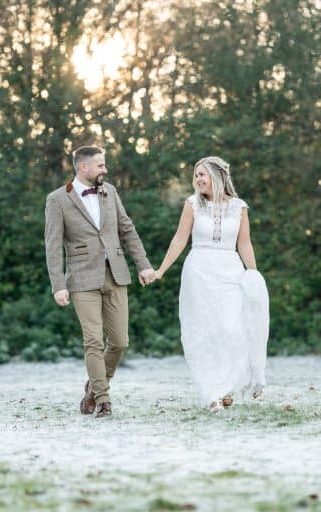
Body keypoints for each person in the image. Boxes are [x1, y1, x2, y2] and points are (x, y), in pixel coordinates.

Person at [45, 145, 156, 418]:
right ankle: (104, 401)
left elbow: (127, 229)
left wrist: (143, 265)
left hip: (115, 274)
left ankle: (93, 388)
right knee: (93, 341)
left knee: (120, 342)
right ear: (83, 167)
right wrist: (58, 285)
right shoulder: (57, 199)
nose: (105, 169)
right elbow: (53, 245)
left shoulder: (110, 192)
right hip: (82, 278)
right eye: (101, 165)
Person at [153, 156, 269, 412]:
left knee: (232, 329)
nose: (197, 180)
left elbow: (244, 243)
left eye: (202, 174)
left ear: (217, 176)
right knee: (204, 333)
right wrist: (161, 270)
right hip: (199, 272)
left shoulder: (239, 207)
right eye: (196, 175)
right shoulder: (192, 204)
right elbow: (179, 240)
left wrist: (253, 275)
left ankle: (228, 386)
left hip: (230, 271)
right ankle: (211, 394)